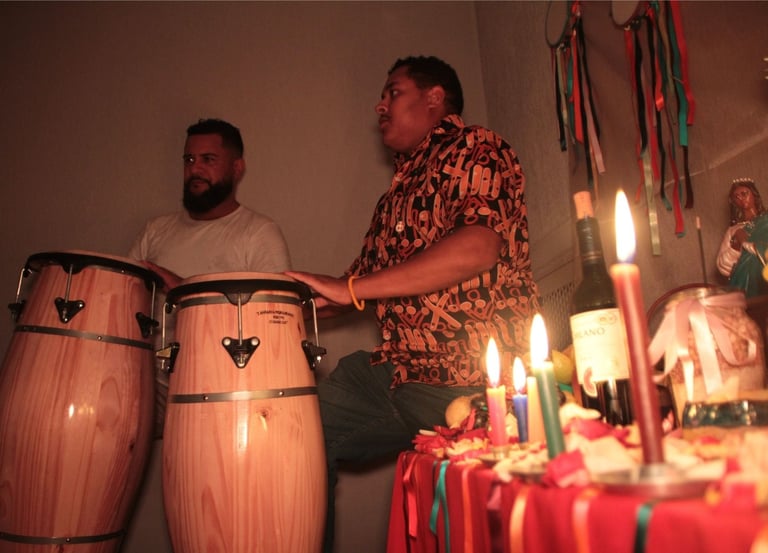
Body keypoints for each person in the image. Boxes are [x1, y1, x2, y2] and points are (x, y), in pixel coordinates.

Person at [286, 56, 540, 552]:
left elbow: (477, 248)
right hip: (397, 373)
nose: (380, 105)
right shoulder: (391, 201)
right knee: (296, 435)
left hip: (471, 379)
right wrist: (272, 300)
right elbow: (354, 287)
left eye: (393, 92)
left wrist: (352, 289)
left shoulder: (476, 147)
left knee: (477, 523)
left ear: (434, 97)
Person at [129, 117, 292, 436]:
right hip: (145, 385)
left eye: (208, 159)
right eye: (189, 160)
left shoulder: (258, 232)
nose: (195, 169)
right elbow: (126, 297)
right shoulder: (155, 230)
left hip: (219, 396)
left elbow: (274, 322)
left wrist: (187, 291)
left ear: (237, 168)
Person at [716, 177, 768, 297]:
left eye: (744, 194)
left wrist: (752, 246)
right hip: (742, 283)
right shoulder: (733, 230)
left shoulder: (766, 221)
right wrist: (736, 244)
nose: (741, 198)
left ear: (754, 195)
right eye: (736, 197)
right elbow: (723, 267)